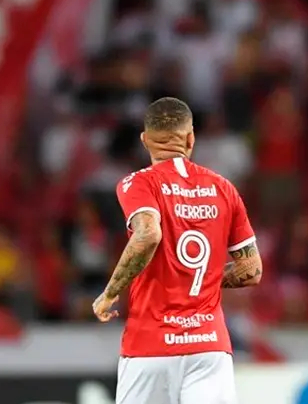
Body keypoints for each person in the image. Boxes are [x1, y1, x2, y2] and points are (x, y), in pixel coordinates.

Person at [92, 97, 262, 404]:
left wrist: (110, 292)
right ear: (191, 137)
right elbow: (251, 270)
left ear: (145, 140)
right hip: (210, 345)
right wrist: (206, 278)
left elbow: (148, 234)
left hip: (150, 344)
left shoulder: (138, 184)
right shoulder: (224, 188)